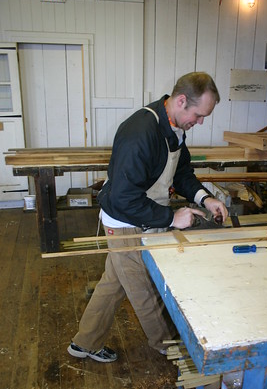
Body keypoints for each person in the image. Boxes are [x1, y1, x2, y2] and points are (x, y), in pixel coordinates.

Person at [67, 71, 228, 362]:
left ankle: (84, 343)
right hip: (127, 223)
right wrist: (171, 218)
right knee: (147, 294)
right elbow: (124, 199)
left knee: (113, 283)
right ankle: (176, 351)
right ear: (181, 101)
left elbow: (182, 172)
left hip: (144, 216)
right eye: (200, 114)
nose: (201, 121)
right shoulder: (140, 132)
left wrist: (206, 198)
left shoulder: (175, 128)